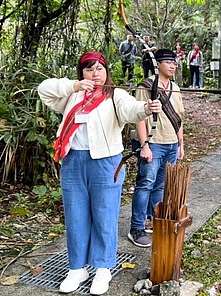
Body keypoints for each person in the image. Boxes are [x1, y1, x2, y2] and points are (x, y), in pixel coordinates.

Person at [37, 51, 162, 295]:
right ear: (81, 73)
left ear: (106, 71)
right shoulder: (71, 95)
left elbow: (131, 109)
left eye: (100, 69)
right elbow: (44, 89)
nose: (95, 74)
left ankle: (103, 269)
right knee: (75, 215)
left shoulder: (115, 95)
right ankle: (76, 268)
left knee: (104, 215)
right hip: (73, 161)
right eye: (89, 69)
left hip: (105, 163)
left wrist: (147, 107)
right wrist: (73, 85)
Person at [128, 49, 185, 247]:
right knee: (146, 184)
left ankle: (153, 219)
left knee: (161, 185)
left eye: (174, 62)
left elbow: (179, 118)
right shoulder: (146, 86)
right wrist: (144, 145)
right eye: (168, 62)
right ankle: (137, 227)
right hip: (153, 143)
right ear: (158, 64)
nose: (173, 65)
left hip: (171, 143)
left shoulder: (175, 87)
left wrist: (180, 144)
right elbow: (140, 117)